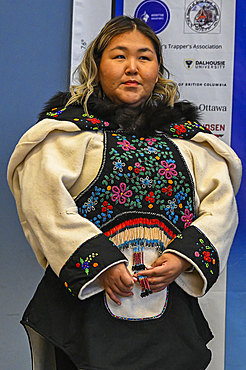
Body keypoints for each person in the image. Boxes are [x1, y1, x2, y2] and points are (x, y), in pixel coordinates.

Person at [7, 15, 241, 370]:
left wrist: (182, 257)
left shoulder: (189, 143)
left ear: (158, 70)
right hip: (81, 312)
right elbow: (45, 205)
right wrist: (102, 262)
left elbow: (221, 207)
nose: (132, 67)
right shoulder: (66, 137)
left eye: (144, 57)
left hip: (168, 313)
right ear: (96, 64)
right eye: (119, 56)